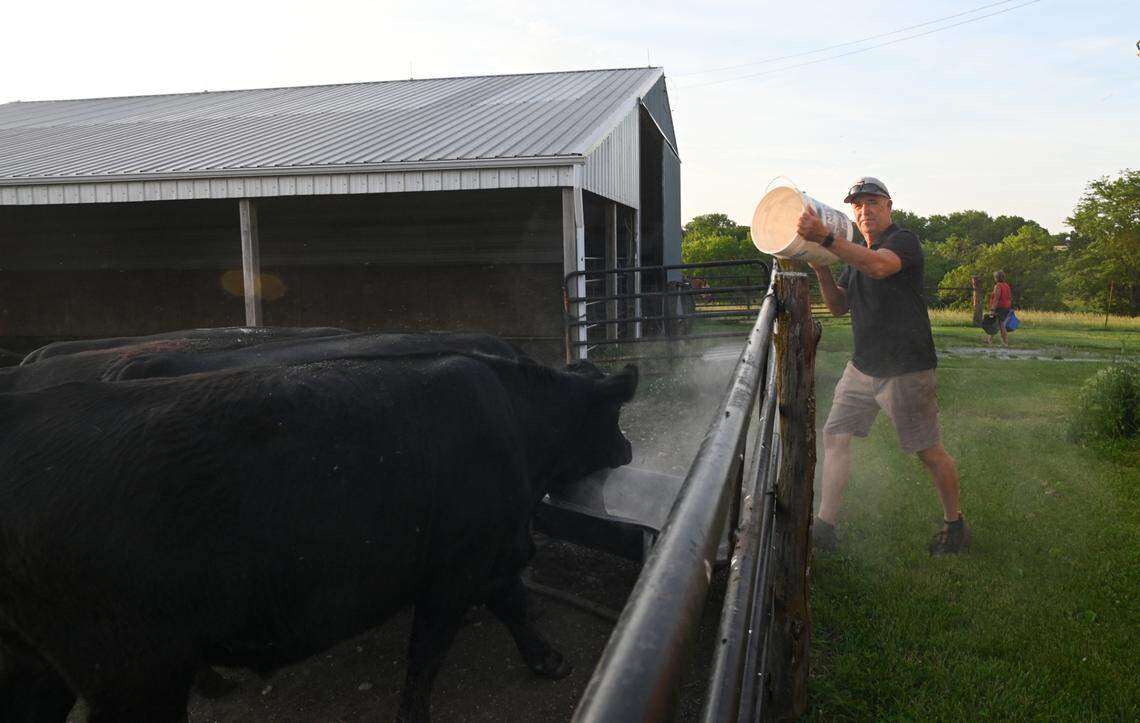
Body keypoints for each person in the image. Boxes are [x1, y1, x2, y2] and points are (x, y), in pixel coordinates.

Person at [796, 176, 968, 555]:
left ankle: (955, 525)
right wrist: (822, 268)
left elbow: (880, 267)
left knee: (928, 450)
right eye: (858, 205)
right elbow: (840, 306)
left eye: (872, 202)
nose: (864, 210)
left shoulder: (903, 242)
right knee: (834, 436)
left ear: (889, 206)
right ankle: (825, 526)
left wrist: (827, 240)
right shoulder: (853, 253)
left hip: (906, 368)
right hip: (862, 367)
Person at [988, 270, 1013, 346]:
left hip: (1000, 307)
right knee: (996, 323)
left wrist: (992, 309)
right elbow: (1009, 297)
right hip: (1006, 307)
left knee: (1001, 325)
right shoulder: (1006, 285)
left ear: (997, 278)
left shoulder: (998, 286)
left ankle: (1005, 342)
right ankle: (989, 339)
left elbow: (996, 298)